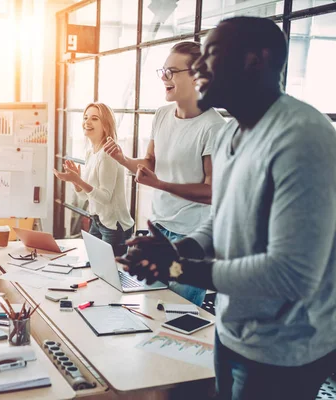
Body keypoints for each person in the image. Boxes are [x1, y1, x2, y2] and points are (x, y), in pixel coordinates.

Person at [118, 17, 336, 400]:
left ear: (256, 60)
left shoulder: (303, 138)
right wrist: (178, 250)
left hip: (284, 349)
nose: (199, 66)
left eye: (212, 54)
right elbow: (226, 222)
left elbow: (292, 275)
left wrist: (178, 268)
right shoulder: (232, 134)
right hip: (232, 330)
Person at [104, 42, 225, 305]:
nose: (163, 77)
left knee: (179, 314)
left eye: (171, 71)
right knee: (151, 308)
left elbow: (212, 191)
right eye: (163, 70)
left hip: (191, 237)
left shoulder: (214, 127)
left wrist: (160, 184)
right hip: (158, 229)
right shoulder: (161, 115)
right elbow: (150, 162)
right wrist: (122, 159)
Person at [54, 102, 134, 256]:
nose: (87, 122)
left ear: (106, 125)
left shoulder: (108, 154)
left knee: (109, 276)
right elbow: (85, 196)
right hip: (98, 221)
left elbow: (105, 197)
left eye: (94, 118)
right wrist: (76, 182)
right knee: (95, 269)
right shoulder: (90, 153)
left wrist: (78, 180)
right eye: (85, 118)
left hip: (114, 226)